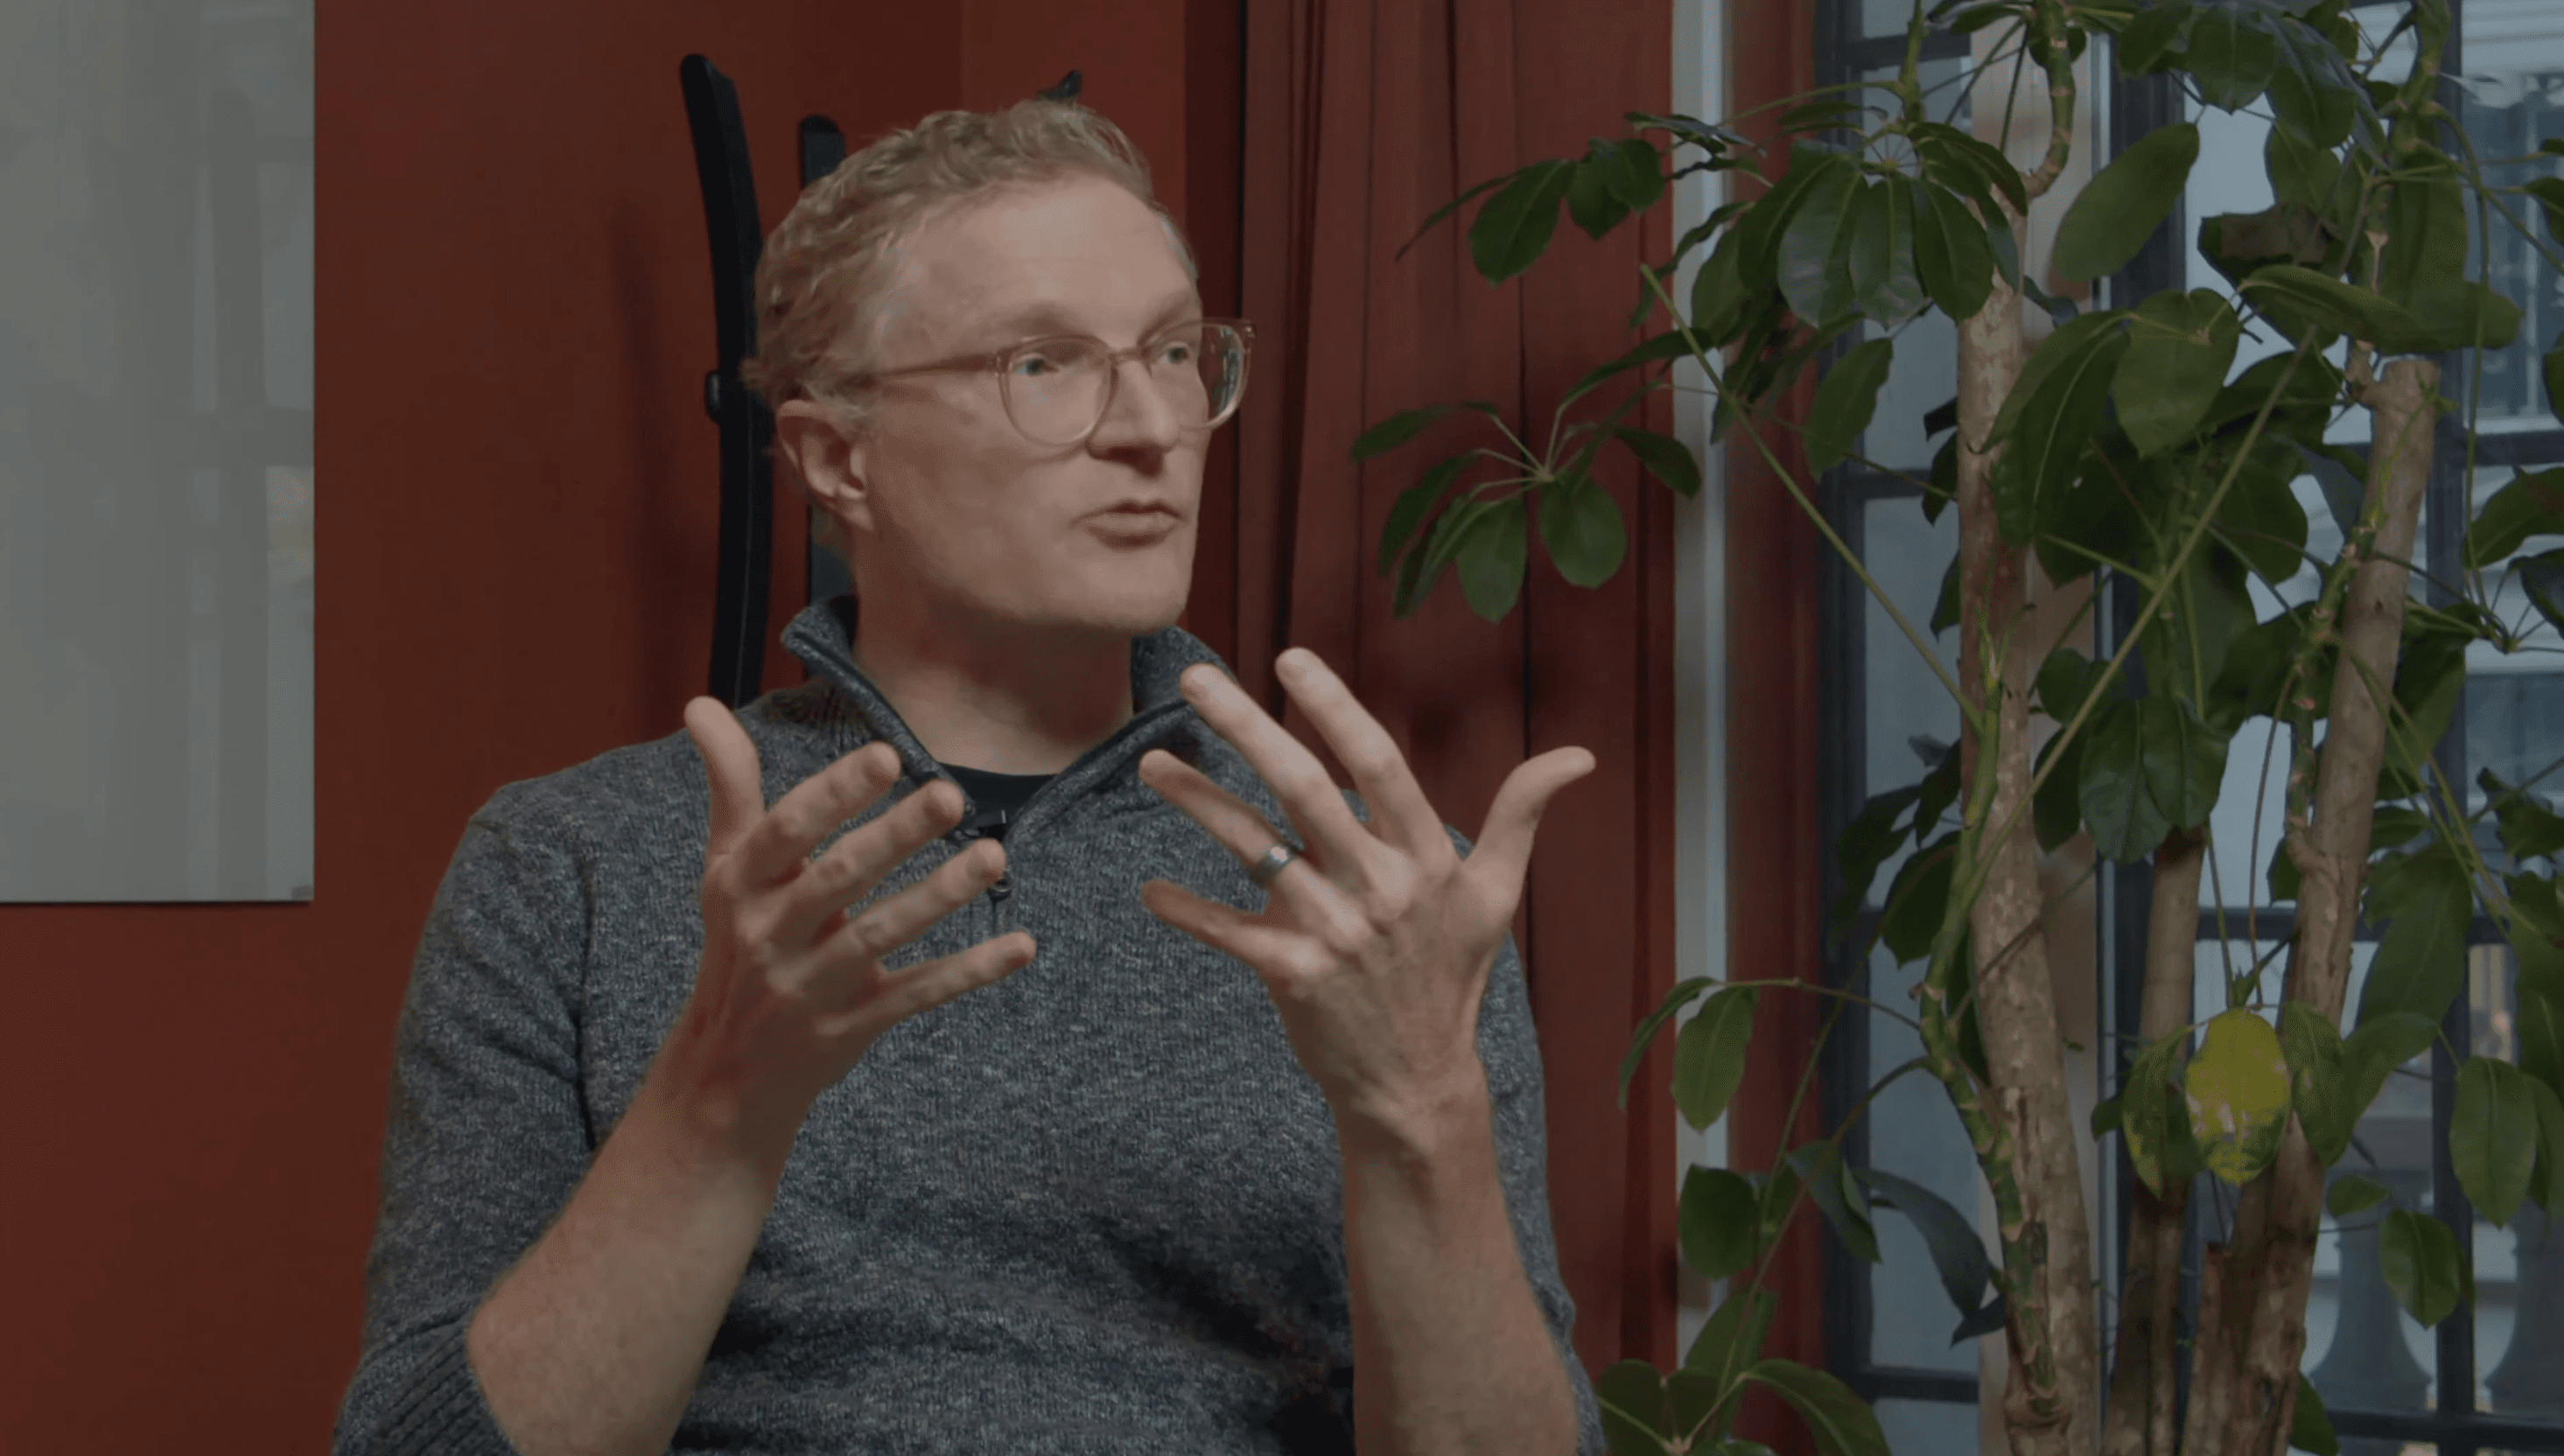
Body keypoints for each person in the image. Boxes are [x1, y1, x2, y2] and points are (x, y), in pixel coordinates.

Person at [333, 98, 1608, 1456]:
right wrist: (719, 1101)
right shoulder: (571, 867)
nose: (1153, 427)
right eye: (1045, 363)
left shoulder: (1377, 899)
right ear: (838, 457)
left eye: (1177, 352)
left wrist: (1421, 1106)